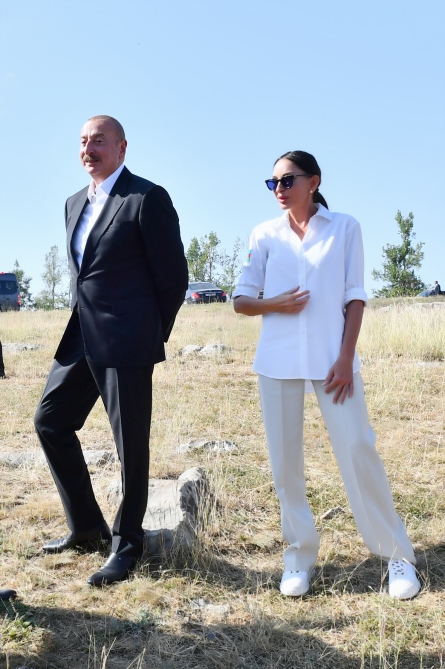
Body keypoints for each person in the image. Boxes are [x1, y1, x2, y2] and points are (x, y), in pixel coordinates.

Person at [233, 151, 420, 600]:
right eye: (273, 183)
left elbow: (354, 297)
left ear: (313, 182)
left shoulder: (345, 228)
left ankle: (397, 555)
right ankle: (298, 557)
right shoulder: (264, 235)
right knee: (285, 464)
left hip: (334, 362)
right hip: (277, 362)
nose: (279, 189)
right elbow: (241, 299)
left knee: (358, 448)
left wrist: (345, 356)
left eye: (288, 180)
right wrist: (275, 304)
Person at [34, 115, 188, 586]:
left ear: (122, 147)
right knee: (50, 421)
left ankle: (127, 545)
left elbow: (173, 278)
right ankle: (86, 527)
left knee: (130, 447)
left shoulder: (145, 197)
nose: (89, 148)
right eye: (83, 141)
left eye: (98, 140)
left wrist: (148, 335)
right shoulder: (73, 202)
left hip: (128, 341)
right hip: (80, 336)